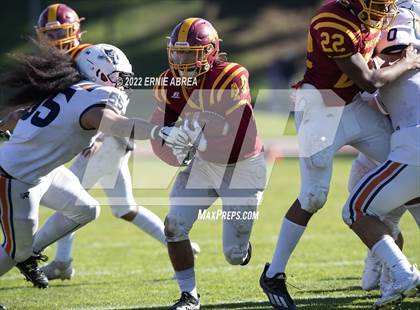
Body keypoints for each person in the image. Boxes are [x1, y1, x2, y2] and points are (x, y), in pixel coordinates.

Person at [259, 0, 420, 309]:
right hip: (322, 109)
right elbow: (369, 80)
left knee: (407, 171)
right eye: (374, 4)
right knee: (314, 197)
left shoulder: (375, 15)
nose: (380, 10)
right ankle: (274, 273)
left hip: (355, 105)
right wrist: (407, 63)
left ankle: (390, 261)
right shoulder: (331, 20)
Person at [30, 3, 200, 281]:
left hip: (105, 140)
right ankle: (183, 247)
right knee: (125, 208)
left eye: (59, 32)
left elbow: (115, 97)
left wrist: (99, 134)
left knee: (72, 202)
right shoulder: (63, 61)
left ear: (75, 31)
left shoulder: (88, 57)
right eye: (47, 34)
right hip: (109, 139)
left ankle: (56, 261)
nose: (52, 40)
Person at [0, 42, 186, 288]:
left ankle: (31, 253)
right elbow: (117, 125)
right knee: (15, 251)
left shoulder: (69, 89)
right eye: (119, 77)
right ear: (99, 73)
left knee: (86, 209)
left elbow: (18, 116)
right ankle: (25, 255)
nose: (123, 83)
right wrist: (160, 131)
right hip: (16, 176)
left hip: (43, 170)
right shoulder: (93, 98)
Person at [149, 18, 266, 309]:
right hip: (203, 167)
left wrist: (197, 143)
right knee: (174, 225)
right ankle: (189, 295)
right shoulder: (169, 81)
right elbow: (158, 129)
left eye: (190, 52)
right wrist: (172, 152)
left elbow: (238, 134)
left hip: (242, 167)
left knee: (234, 255)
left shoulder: (231, 76)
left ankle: (242, 248)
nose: (181, 59)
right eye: (177, 52)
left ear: (211, 51)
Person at [342, 8, 420, 308]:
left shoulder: (396, 46)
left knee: (354, 210)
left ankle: (401, 273)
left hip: (413, 144)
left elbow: (372, 82)